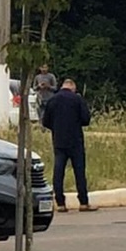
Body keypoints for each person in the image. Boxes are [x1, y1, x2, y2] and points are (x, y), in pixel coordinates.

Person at [41, 79, 97, 213]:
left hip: (59, 140)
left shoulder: (53, 100)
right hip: (75, 140)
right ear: (73, 88)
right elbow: (86, 119)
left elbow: (45, 122)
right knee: (79, 171)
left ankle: (60, 203)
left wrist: (56, 127)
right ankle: (83, 202)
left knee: (58, 171)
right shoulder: (77, 100)